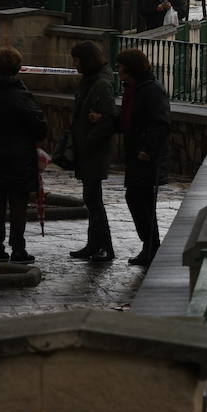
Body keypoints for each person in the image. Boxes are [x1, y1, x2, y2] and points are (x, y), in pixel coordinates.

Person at [0, 47, 47, 263]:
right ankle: (18, 248)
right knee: (18, 204)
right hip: (20, 157)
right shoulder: (22, 96)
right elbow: (39, 128)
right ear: (18, 68)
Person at [115, 48, 170, 267]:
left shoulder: (151, 91)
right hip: (136, 153)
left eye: (120, 66)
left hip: (147, 157)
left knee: (141, 201)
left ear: (130, 68)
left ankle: (151, 246)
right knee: (139, 200)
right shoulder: (133, 89)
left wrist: (148, 149)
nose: (117, 70)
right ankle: (149, 245)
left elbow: (160, 122)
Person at [66, 41, 116, 263]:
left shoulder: (100, 85)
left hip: (94, 150)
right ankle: (94, 244)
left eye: (77, 60)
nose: (74, 64)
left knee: (94, 199)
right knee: (91, 198)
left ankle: (104, 245)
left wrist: (88, 141)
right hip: (87, 148)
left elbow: (106, 119)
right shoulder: (90, 82)